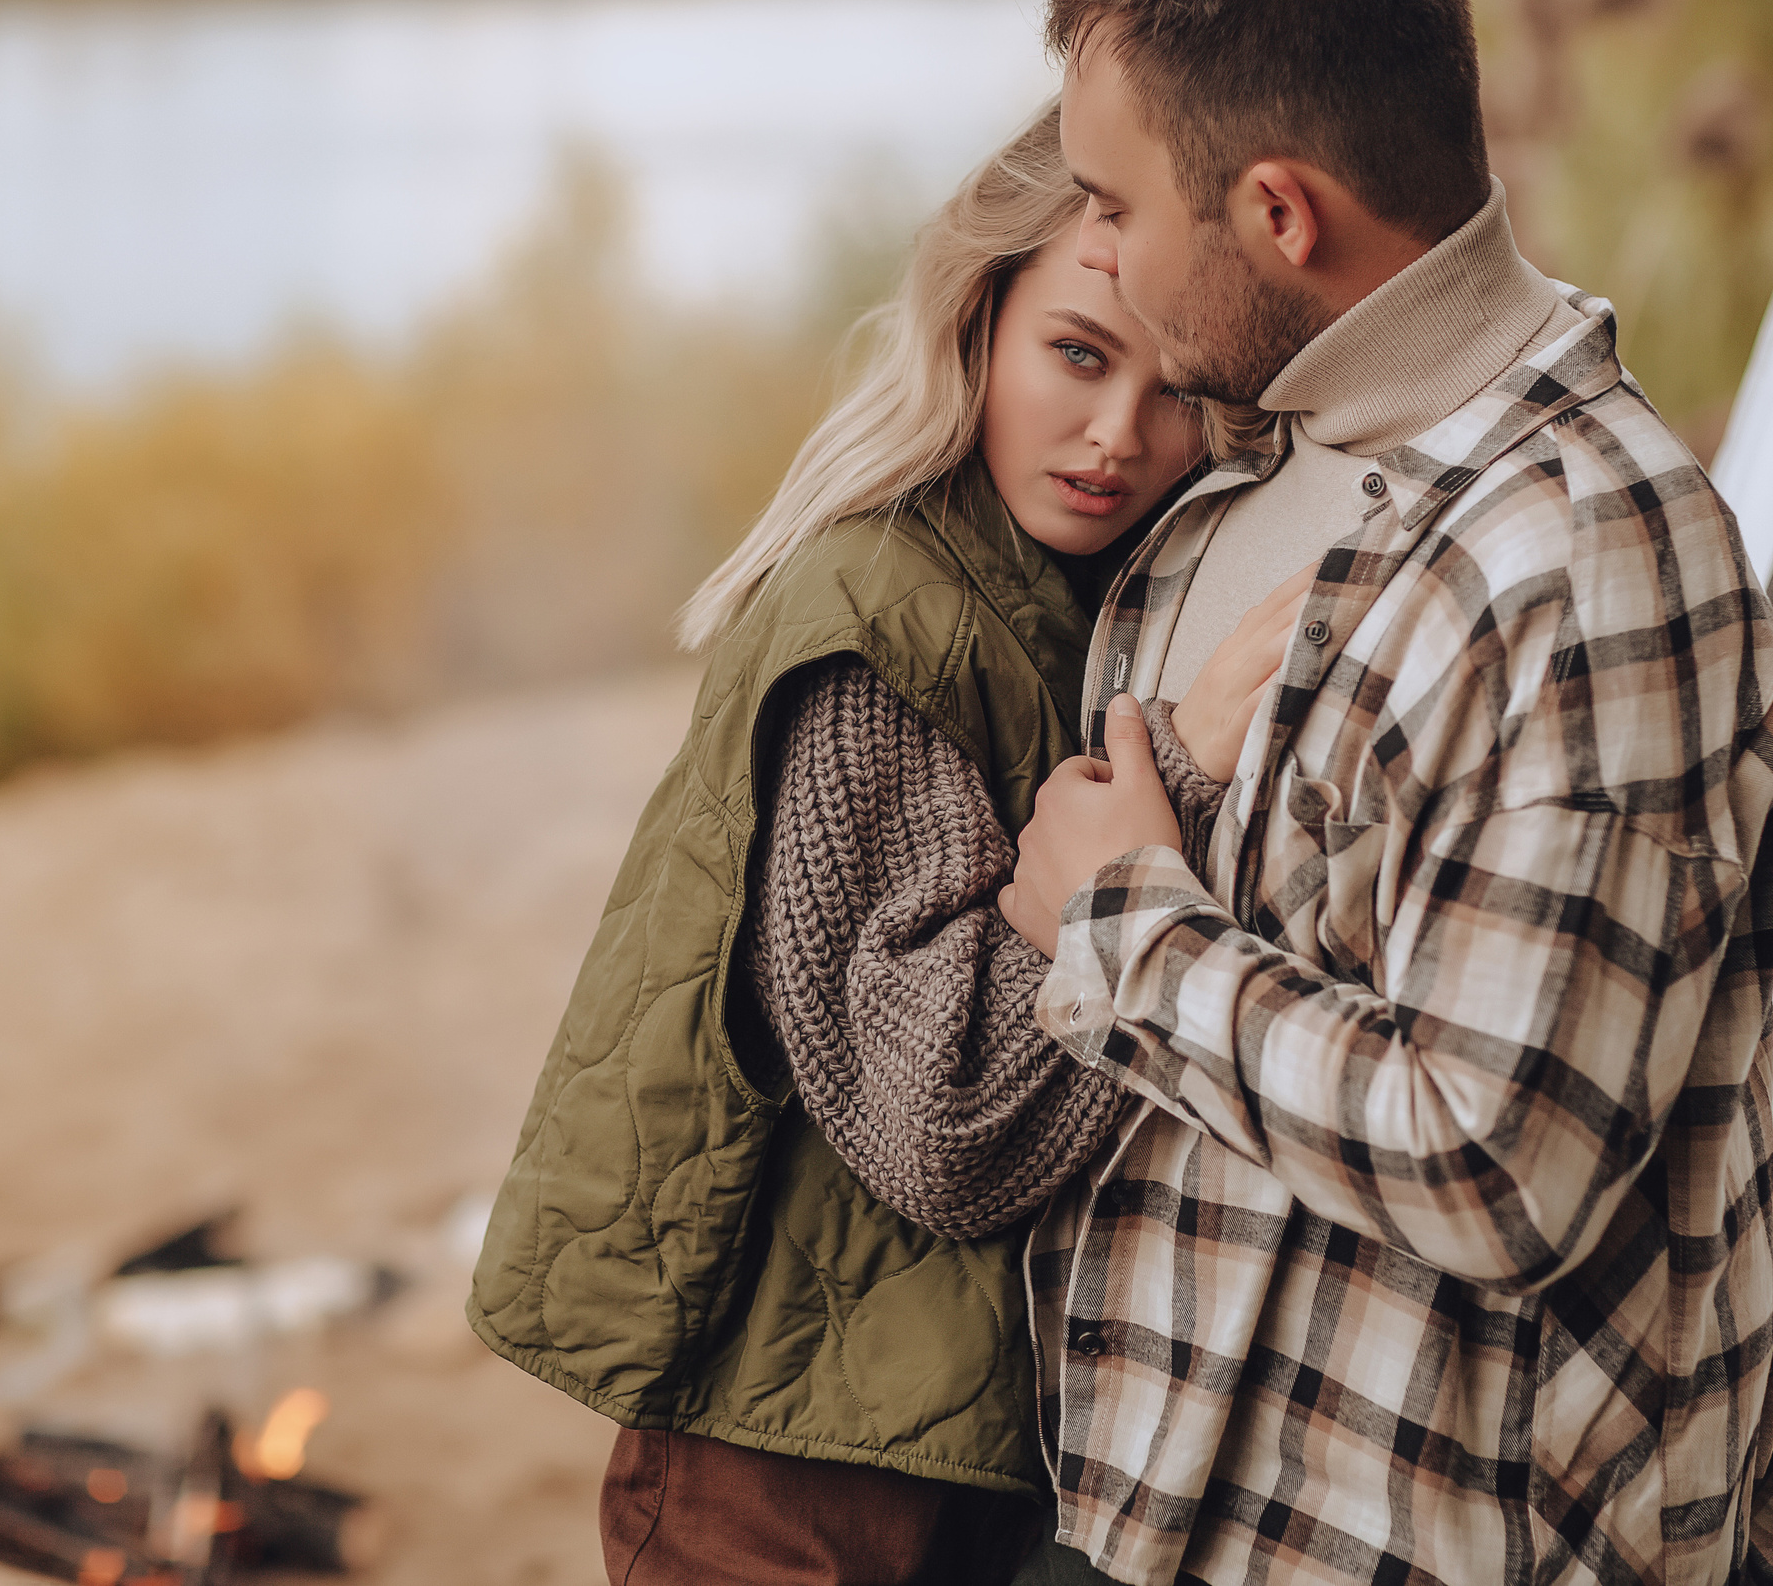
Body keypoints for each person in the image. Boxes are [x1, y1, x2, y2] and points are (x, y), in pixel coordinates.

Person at [992, 0, 1773, 1585]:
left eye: (1114, 203)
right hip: (1168, 1517)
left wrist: (1124, 925)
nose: (1097, 251)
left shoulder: (1584, 564)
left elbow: (1497, 1167)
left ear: (1279, 213)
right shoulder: (1242, 455)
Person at [469, 102, 1295, 1585]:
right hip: (790, 1474)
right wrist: (1181, 762)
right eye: (1079, 355)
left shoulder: (1070, 596)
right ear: (979, 319)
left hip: (939, 1435)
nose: (1120, 437)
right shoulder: (879, 623)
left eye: (1178, 390)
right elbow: (939, 1120)